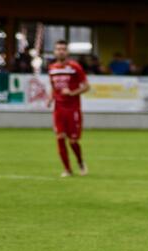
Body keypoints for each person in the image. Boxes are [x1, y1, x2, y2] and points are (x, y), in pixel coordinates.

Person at [47, 40, 90, 177]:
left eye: (63, 49)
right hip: (58, 109)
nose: (61, 51)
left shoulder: (75, 67)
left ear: (67, 52)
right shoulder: (52, 68)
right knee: (60, 137)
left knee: (73, 141)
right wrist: (50, 98)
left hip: (73, 109)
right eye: (58, 49)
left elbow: (87, 87)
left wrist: (72, 93)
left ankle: (80, 162)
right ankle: (67, 170)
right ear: (54, 51)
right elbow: (53, 87)